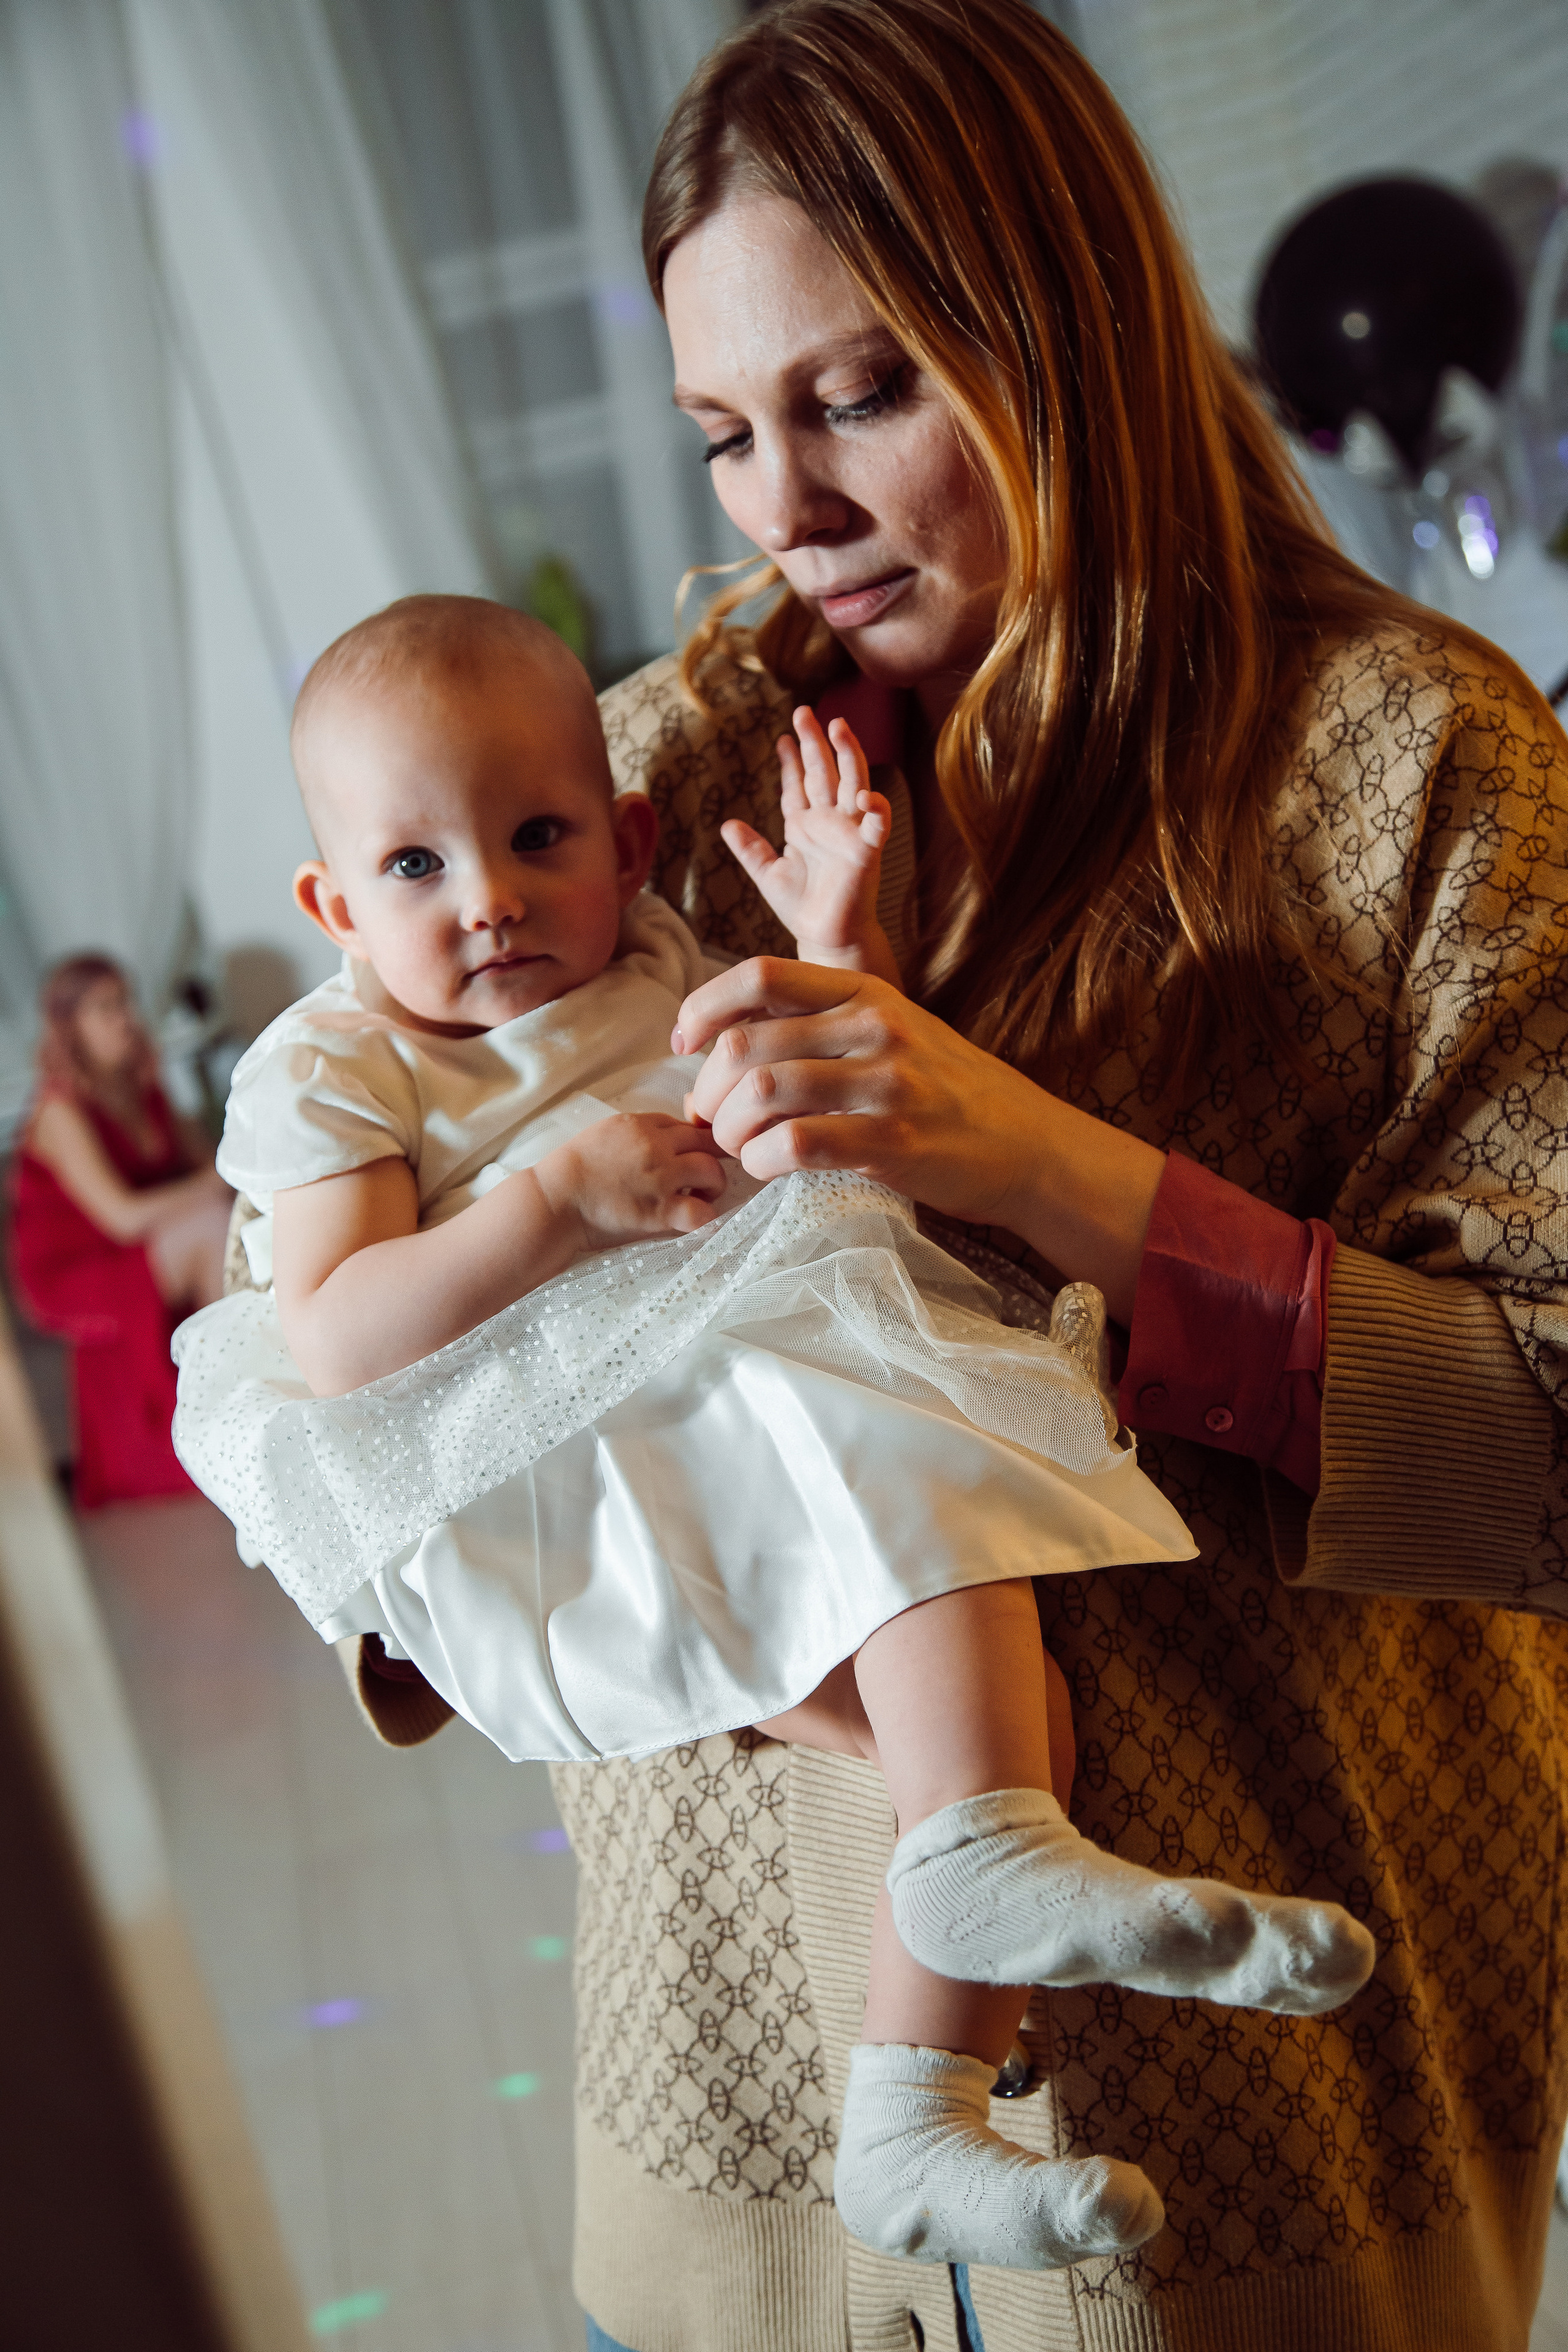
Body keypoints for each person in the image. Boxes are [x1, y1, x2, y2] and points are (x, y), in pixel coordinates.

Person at [288, 4, 1568, 2345]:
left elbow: (1548, 1452)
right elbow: (354, 1338)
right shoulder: (646, 783)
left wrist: (1042, 1165)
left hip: (1244, 2113)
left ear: (1067, 329)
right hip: (737, 2105)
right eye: (721, 433)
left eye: (860, 395)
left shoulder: (1417, 764)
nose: (781, 509)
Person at [174, 590, 1376, 2272]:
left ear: (629, 842)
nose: (489, 898)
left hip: (731, 1417)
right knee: (923, 1552)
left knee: (1001, 1722)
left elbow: (814, 1095)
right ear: (333, 904)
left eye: (536, 839)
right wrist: (553, 1203)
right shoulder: (339, 1064)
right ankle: (973, 1903)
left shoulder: (653, 958)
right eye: (415, 866)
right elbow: (337, 1331)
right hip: (549, 1477)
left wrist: (834, 941)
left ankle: (913, 2116)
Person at [10, 954, 231, 1506]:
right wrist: (213, 1183)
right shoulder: (59, 1111)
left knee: (229, 1218)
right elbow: (122, 1217)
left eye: (127, 1003)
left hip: (141, 1246)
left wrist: (222, 1180)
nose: (127, 1019)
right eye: (106, 1009)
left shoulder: (146, 1091)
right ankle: (232, 1398)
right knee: (211, 1226)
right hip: (77, 1268)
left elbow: (211, 1170)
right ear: (71, 1027)